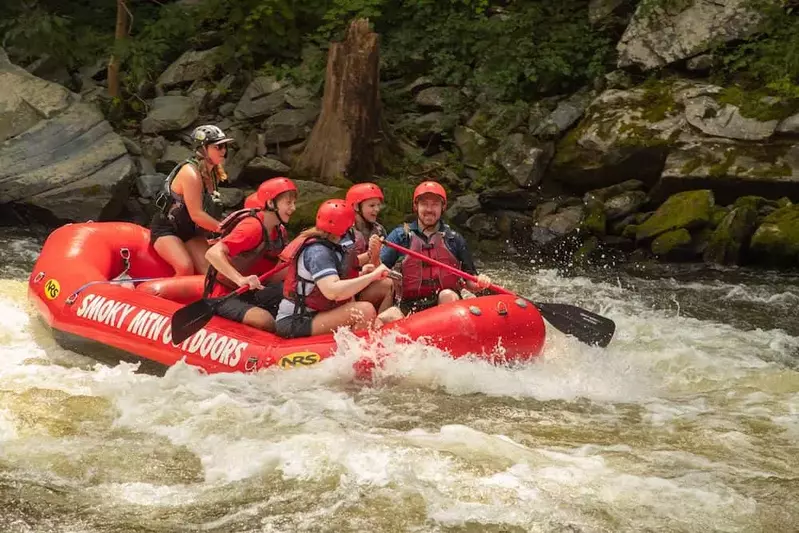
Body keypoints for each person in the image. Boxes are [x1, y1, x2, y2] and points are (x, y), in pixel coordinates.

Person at [274, 199, 403, 339]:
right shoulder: (317, 252)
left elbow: (339, 277)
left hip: (321, 311)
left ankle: (372, 331)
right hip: (297, 319)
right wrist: (372, 276)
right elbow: (333, 291)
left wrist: (362, 273)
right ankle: (359, 347)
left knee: (386, 308)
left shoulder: (335, 244)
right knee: (364, 311)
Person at [381, 180, 491, 314]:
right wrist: (374, 255)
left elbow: (470, 282)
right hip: (409, 306)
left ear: (442, 207)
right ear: (416, 206)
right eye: (424, 204)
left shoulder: (454, 239)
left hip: (445, 304)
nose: (429, 209)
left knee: (447, 295)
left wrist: (480, 283)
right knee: (389, 316)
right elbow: (380, 270)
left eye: (435, 204)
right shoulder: (400, 236)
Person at [203, 177, 298, 331]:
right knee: (264, 320)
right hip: (225, 294)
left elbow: (273, 276)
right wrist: (240, 279)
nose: (293, 208)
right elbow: (212, 253)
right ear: (271, 203)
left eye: (294, 203)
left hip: (252, 291)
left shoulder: (280, 231)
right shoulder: (252, 227)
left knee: (297, 295)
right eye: (288, 203)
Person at [150, 124, 232, 276]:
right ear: (203, 149)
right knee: (185, 267)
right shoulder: (190, 174)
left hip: (190, 231)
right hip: (167, 229)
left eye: (224, 146)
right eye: (218, 147)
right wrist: (226, 230)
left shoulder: (213, 174)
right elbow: (197, 215)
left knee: (211, 273)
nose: (223, 151)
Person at [345, 182, 395, 314]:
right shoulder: (344, 231)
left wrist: (375, 254)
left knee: (391, 283)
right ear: (356, 206)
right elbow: (344, 264)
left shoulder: (378, 229)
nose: (377, 209)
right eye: (372, 205)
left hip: (365, 283)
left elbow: (377, 265)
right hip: (346, 287)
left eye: (378, 205)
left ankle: (382, 321)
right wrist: (369, 253)